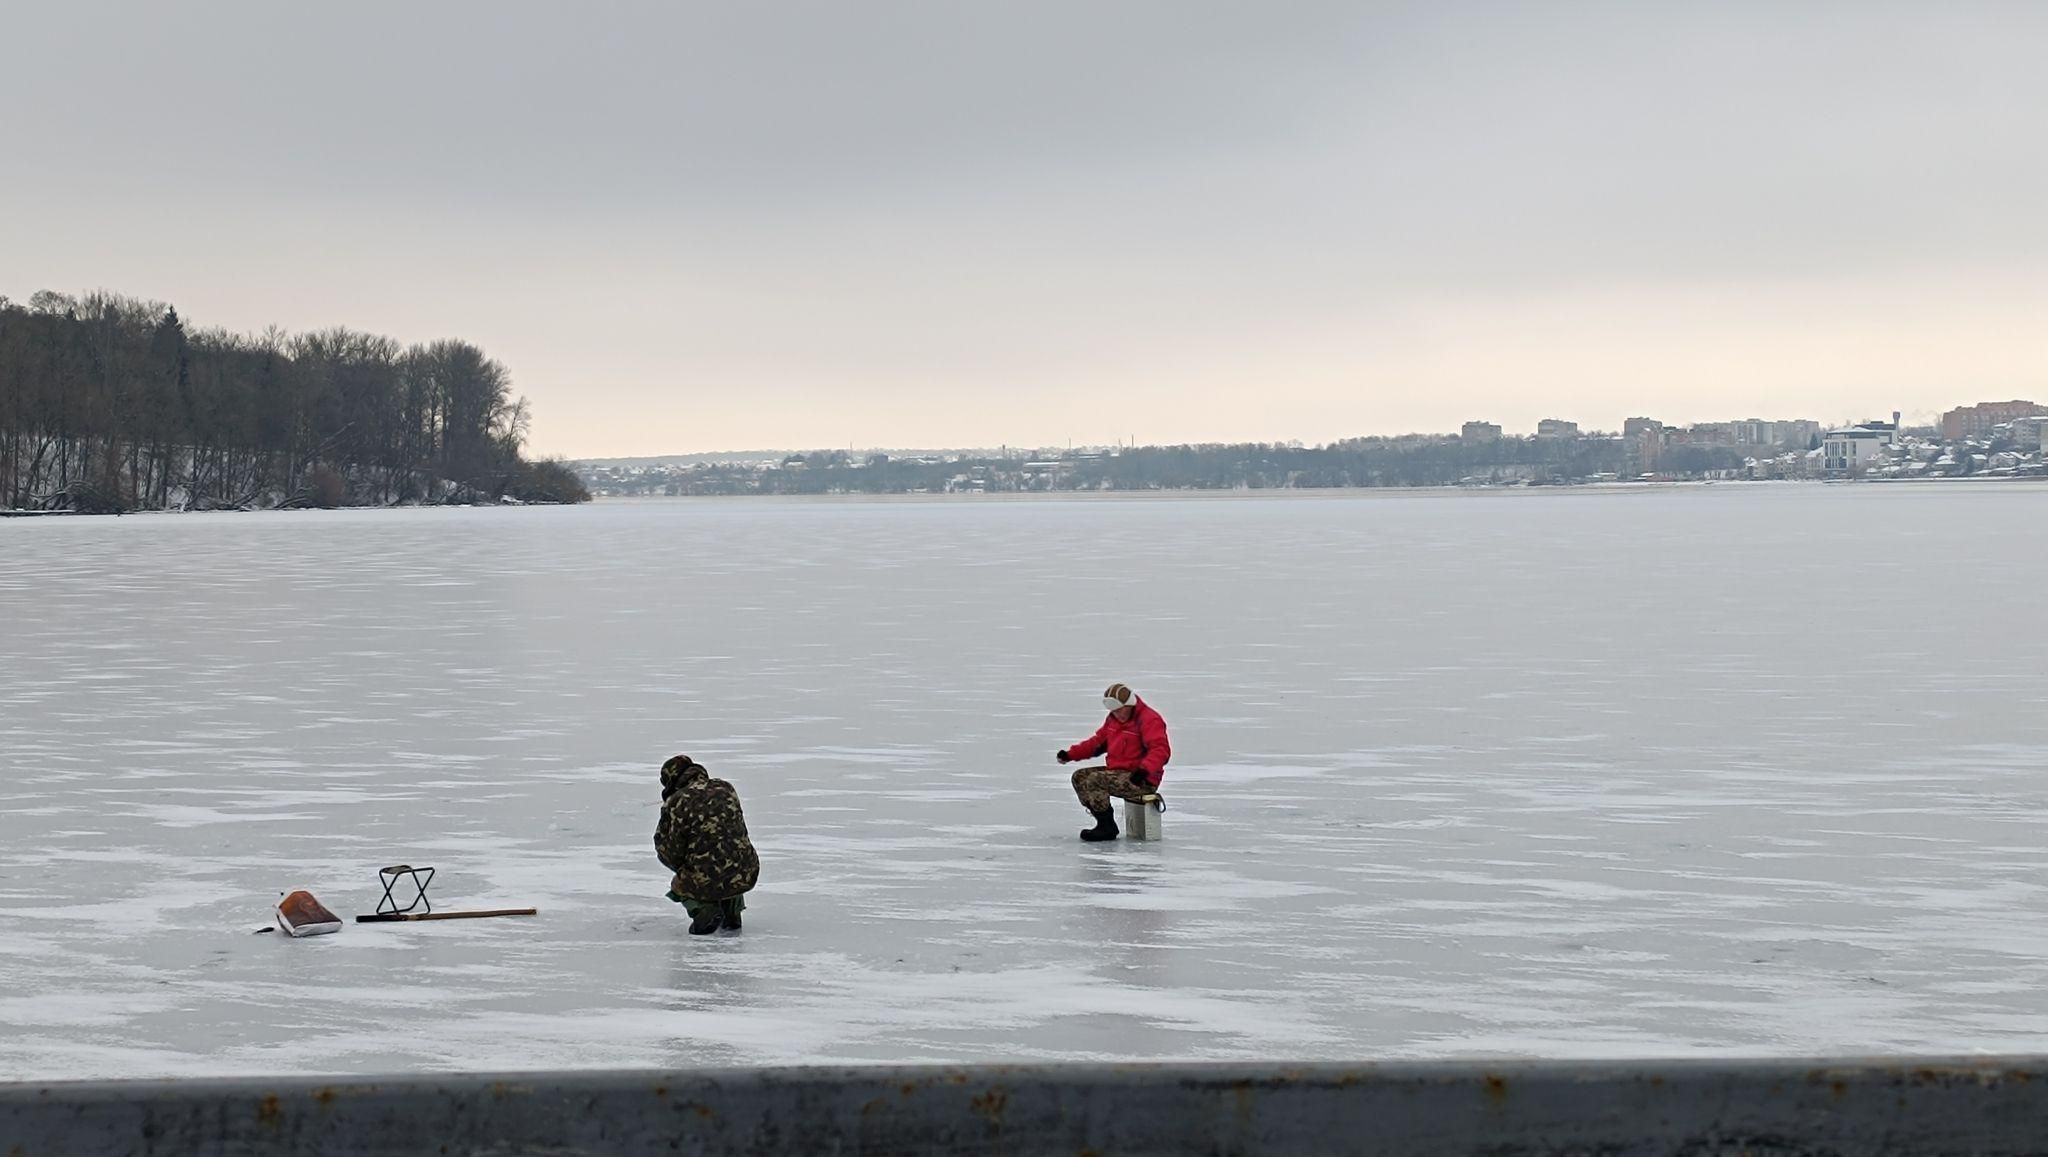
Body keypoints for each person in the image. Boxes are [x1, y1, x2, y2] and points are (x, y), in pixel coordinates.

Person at [653, 755, 761, 934]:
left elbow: (669, 850)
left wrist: (683, 869)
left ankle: (706, 911)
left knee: (688, 879)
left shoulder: (678, 800)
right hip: (747, 870)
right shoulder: (725, 787)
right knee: (728, 860)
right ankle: (732, 912)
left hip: (709, 875)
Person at [1055, 682, 1170, 842]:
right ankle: (1104, 822)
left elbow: (1160, 750)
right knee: (1079, 777)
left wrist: (1145, 770)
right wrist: (1070, 755)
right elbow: (1096, 743)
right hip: (1120, 772)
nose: (1116, 714)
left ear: (1129, 705)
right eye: (1113, 711)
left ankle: (1106, 829)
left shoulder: (1149, 719)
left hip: (1142, 778)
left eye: (1119, 710)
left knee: (1096, 780)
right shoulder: (1113, 720)